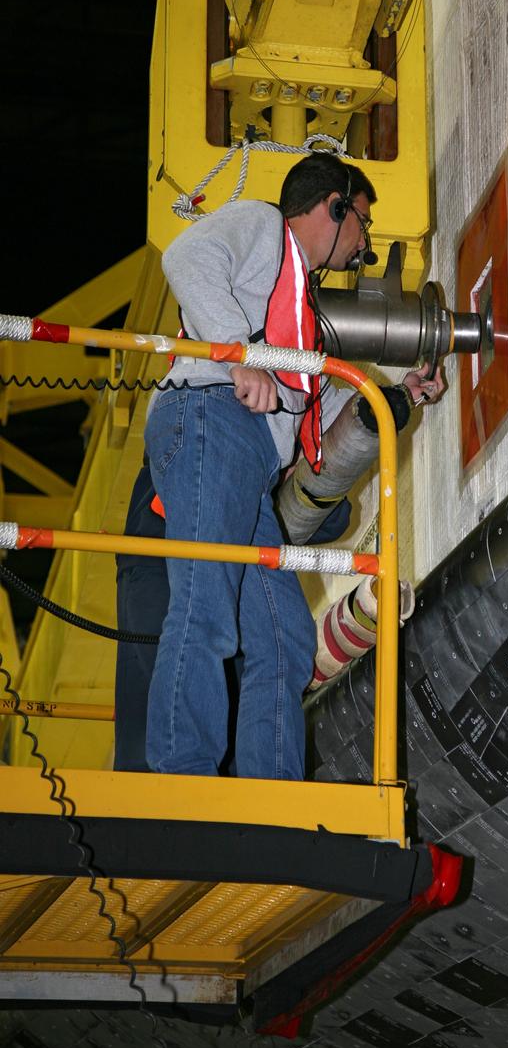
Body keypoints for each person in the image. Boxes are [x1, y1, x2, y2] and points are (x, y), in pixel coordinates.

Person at [139, 152, 442, 780]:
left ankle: (272, 797)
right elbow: (186, 259)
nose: (362, 241)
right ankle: (181, 781)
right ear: (332, 205)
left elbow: (318, 405)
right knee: (207, 605)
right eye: (360, 222)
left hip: (248, 464)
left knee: (285, 642)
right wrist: (239, 358)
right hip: (209, 421)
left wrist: (402, 394)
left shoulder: (301, 317)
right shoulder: (259, 225)